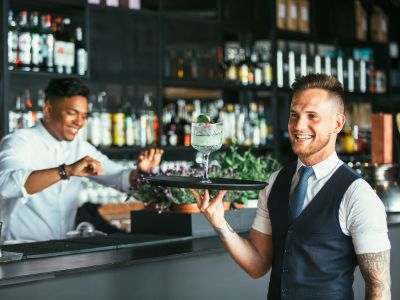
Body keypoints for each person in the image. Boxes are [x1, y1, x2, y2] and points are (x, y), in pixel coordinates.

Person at [190, 74, 391, 299]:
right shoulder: (275, 183)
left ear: (337, 123)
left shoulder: (357, 194)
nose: (298, 125)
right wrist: (220, 223)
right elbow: (257, 265)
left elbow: (378, 286)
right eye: (294, 115)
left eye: (312, 116)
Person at [0, 77, 163, 242]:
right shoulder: (20, 141)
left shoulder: (80, 146)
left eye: (84, 116)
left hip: (61, 250)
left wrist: (140, 172)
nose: (79, 122)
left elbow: (118, 177)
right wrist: (66, 171)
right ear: (48, 110)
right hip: (21, 250)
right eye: (72, 113)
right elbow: (5, 185)